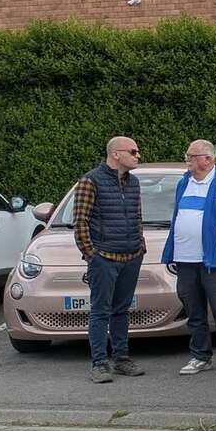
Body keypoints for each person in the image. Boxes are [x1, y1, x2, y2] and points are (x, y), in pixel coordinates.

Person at [163, 139, 216, 376]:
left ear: (208, 159)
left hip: (213, 259)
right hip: (185, 259)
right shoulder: (184, 182)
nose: (187, 160)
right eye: (187, 156)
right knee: (193, 311)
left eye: (191, 156)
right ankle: (200, 356)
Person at [72, 136, 147, 383]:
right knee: (100, 311)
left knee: (121, 310)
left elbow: (137, 217)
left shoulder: (133, 182)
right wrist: (92, 255)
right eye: (133, 151)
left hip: (131, 256)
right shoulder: (90, 181)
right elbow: (80, 222)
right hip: (104, 258)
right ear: (116, 154)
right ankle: (99, 364)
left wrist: (140, 246)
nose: (138, 156)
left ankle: (121, 359)